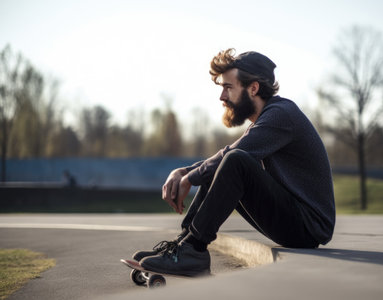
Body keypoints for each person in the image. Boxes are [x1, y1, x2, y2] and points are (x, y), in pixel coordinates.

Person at [133, 49, 335, 277]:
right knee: (226, 162)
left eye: (228, 87)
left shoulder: (282, 114)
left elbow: (234, 155)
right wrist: (184, 171)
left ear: (254, 88)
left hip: (307, 226)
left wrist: (189, 177)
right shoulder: (269, 117)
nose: (222, 97)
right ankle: (184, 244)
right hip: (295, 220)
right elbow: (225, 157)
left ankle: (194, 249)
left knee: (235, 160)